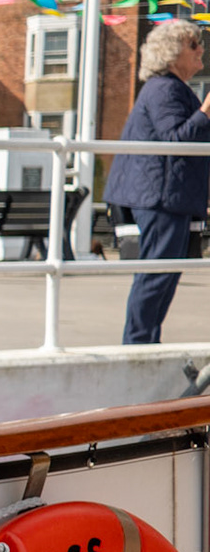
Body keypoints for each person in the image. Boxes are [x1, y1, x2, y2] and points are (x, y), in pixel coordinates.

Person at [101, 19, 209, 344]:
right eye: (193, 45)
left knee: (163, 274)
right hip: (158, 197)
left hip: (165, 195)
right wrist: (206, 110)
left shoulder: (171, 88)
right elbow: (174, 139)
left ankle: (144, 341)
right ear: (172, 53)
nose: (201, 49)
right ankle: (137, 343)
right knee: (156, 274)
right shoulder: (164, 88)